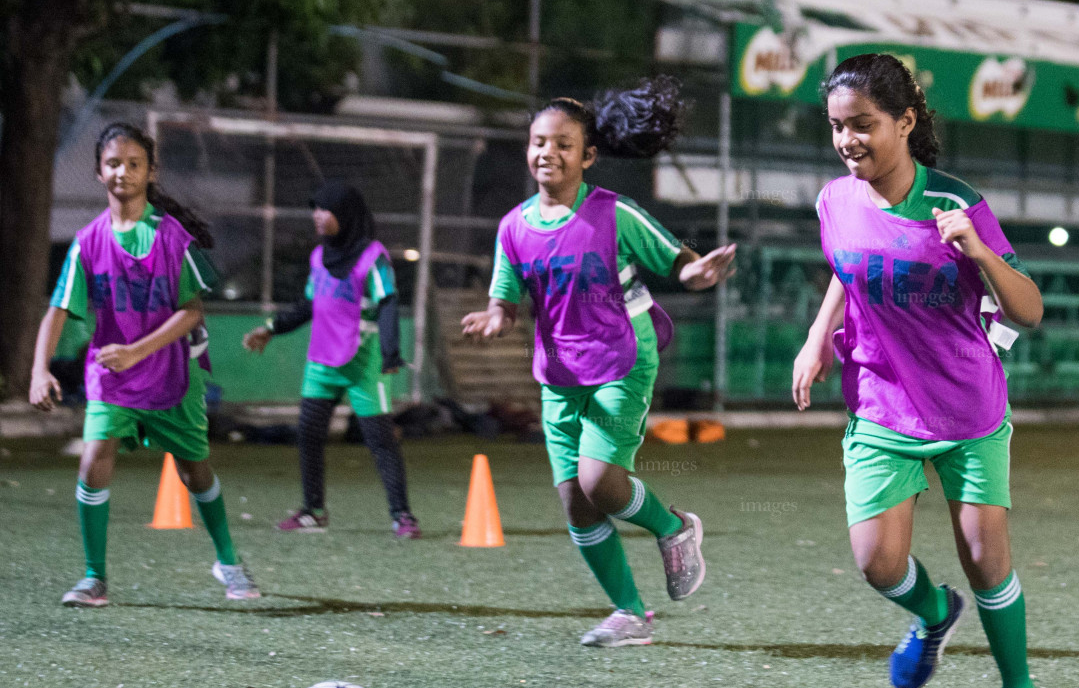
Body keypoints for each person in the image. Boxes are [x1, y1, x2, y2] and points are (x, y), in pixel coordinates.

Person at [791, 54, 1048, 688]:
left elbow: (1028, 310)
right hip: (880, 403)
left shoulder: (955, 205)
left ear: (905, 122)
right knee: (877, 562)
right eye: (838, 127)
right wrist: (819, 336)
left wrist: (983, 257)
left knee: (986, 558)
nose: (849, 141)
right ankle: (935, 614)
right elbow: (849, 269)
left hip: (968, 408)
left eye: (864, 125)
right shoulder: (832, 201)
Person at [462, 78, 736, 647]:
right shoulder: (514, 227)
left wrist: (698, 273)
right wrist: (496, 315)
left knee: (599, 481)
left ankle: (674, 527)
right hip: (558, 373)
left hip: (622, 359)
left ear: (587, 156)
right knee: (576, 504)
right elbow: (505, 295)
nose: (548, 153)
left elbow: (675, 260)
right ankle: (630, 615)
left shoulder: (615, 214)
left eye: (563, 144)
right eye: (539, 141)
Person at [30, 122, 260, 606]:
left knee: (195, 471)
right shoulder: (87, 241)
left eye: (134, 164)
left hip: (171, 377)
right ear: (98, 172)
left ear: (150, 172)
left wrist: (137, 351)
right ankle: (94, 578)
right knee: (93, 462)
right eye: (113, 164)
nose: (123, 172)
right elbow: (57, 310)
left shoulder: (172, 237)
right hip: (112, 377)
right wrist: (40, 370)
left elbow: (193, 311)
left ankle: (230, 562)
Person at [242, 182, 419, 538]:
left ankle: (403, 516)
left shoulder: (373, 256)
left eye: (325, 210)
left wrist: (391, 353)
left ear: (345, 214)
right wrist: (271, 328)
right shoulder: (319, 256)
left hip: (363, 362)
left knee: (380, 439)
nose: (317, 217)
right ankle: (313, 511)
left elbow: (387, 304)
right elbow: (310, 304)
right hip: (322, 362)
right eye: (315, 209)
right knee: (308, 433)